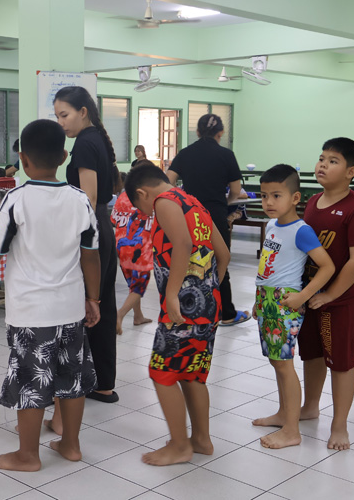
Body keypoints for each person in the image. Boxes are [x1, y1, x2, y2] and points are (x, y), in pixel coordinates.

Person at [0, 119, 100, 472]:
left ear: (22, 159)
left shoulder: (15, 199)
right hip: (70, 308)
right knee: (71, 379)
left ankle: (28, 455)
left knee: (31, 381)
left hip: (31, 313)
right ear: (64, 156)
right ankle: (71, 444)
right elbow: (91, 255)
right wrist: (94, 299)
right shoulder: (80, 200)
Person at [124, 163, 230, 466]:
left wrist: (173, 295)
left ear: (143, 193)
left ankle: (180, 446)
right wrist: (209, 289)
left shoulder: (164, 202)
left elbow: (182, 244)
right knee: (191, 373)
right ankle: (201, 440)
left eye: (141, 208)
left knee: (162, 372)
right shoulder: (193, 202)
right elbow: (223, 254)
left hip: (182, 310)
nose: (147, 213)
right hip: (207, 306)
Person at [250, 164, 335, 449]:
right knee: (276, 361)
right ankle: (283, 414)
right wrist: (258, 299)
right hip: (267, 299)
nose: (269, 202)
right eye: (264, 196)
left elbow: (327, 266)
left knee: (284, 365)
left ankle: (291, 431)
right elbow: (268, 265)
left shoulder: (301, 230)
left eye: (276, 195)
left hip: (286, 301)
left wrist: (302, 297)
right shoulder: (272, 225)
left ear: (295, 198)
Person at [298, 137, 354, 451]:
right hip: (309, 294)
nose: (323, 165)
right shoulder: (313, 202)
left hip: (339, 301)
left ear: (350, 172)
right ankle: (310, 406)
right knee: (312, 354)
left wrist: (330, 295)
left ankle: (339, 425)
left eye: (333, 161)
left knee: (340, 362)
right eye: (321, 158)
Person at [55, 85, 119, 404]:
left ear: (82, 112)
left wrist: (77, 238)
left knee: (88, 305)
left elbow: (88, 198)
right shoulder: (96, 138)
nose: (61, 122)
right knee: (102, 305)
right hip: (103, 226)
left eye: (64, 115)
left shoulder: (84, 143)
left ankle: (83, 380)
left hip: (91, 230)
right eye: (57, 116)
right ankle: (102, 383)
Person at [167, 113, 249, 326]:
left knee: (189, 262)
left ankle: (189, 309)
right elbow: (236, 191)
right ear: (220, 133)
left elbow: (168, 181)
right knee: (220, 260)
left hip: (189, 217)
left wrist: (182, 202)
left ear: (197, 132)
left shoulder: (185, 153)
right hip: (215, 216)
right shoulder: (226, 155)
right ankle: (226, 313)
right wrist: (225, 204)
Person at [111, 162, 153, 334]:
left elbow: (114, 220)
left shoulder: (122, 197)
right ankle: (120, 315)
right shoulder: (148, 197)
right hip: (141, 250)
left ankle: (138, 316)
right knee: (138, 286)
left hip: (121, 247)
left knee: (132, 284)